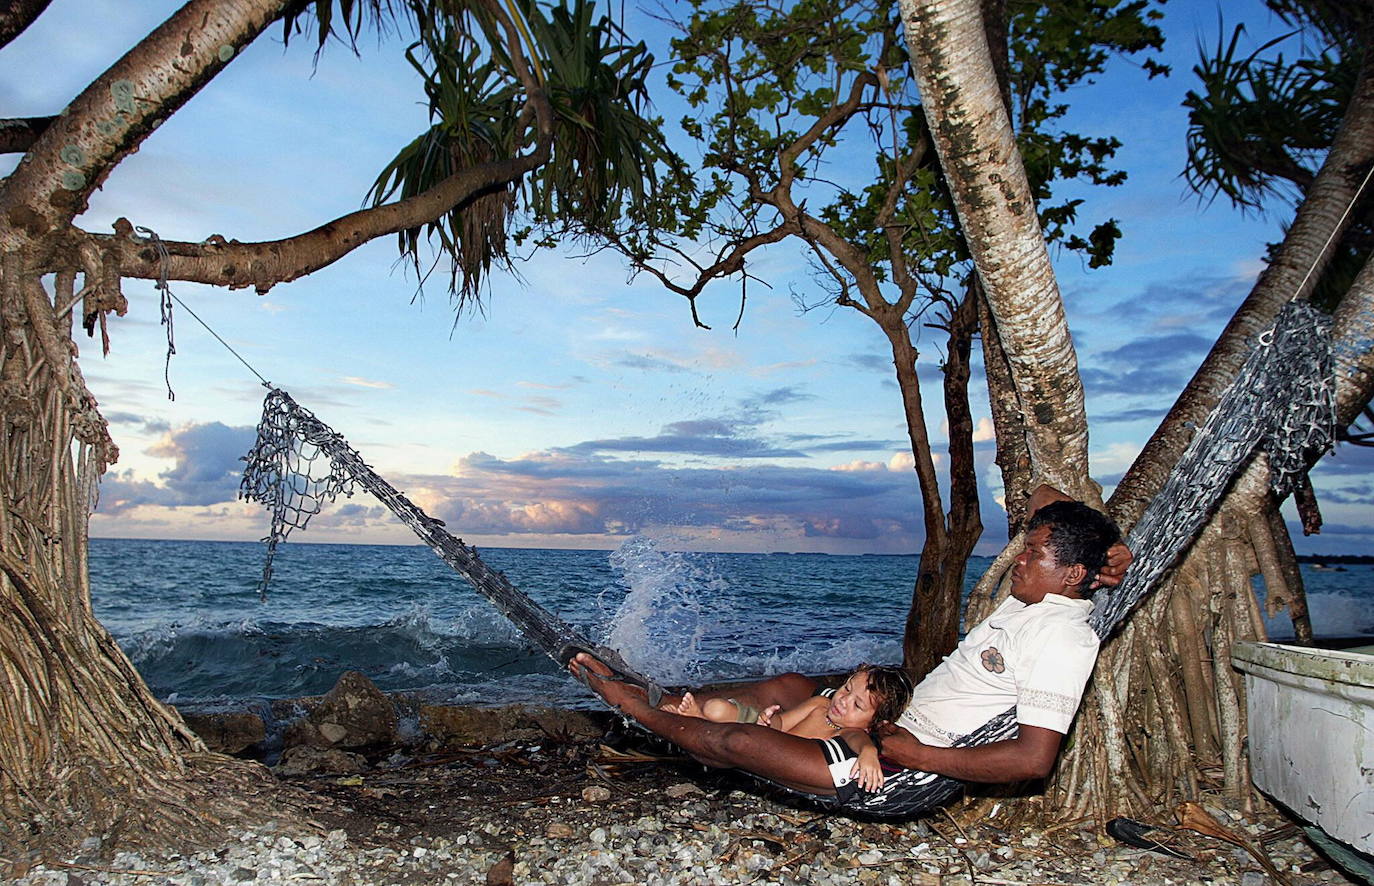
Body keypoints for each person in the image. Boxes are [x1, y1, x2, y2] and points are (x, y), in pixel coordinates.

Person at [568, 485, 1127, 807]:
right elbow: (1045, 498)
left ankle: (632, 704)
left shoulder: (1063, 636)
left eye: (1033, 554)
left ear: (1073, 573)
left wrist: (919, 757)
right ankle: (660, 694)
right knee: (790, 686)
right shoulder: (1033, 599)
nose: (1019, 560)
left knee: (738, 744)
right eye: (1025, 549)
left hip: (899, 769)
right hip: (891, 725)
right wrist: (1114, 545)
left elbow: (1033, 760)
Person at [666, 664, 913, 794]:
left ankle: (696, 726)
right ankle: (699, 717)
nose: (843, 700)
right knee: (716, 708)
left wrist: (868, 754)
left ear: (874, 723)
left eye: (857, 705)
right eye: (846, 688)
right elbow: (783, 723)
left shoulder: (847, 732)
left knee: (730, 739)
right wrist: (768, 719)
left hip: (768, 756)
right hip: (765, 734)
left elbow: (859, 740)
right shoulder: (820, 704)